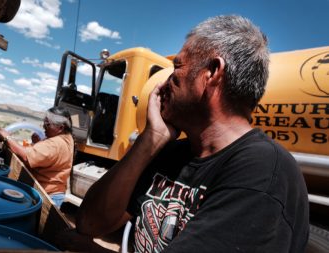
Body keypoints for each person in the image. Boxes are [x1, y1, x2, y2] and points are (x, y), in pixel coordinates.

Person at [74, 15, 309, 252]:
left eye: (177, 66)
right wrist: (150, 139)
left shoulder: (263, 173)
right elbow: (90, 223)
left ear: (212, 72)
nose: (163, 83)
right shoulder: (172, 154)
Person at [0, 106, 74, 207]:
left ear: (60, 128)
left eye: (47, 124)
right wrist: (37, 144)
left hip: (46, 196)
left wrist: (6, 137)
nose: (44, 126)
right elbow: (53, 157)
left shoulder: (55, 143)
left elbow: (26, 156)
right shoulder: (67, 138)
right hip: (56, 193)